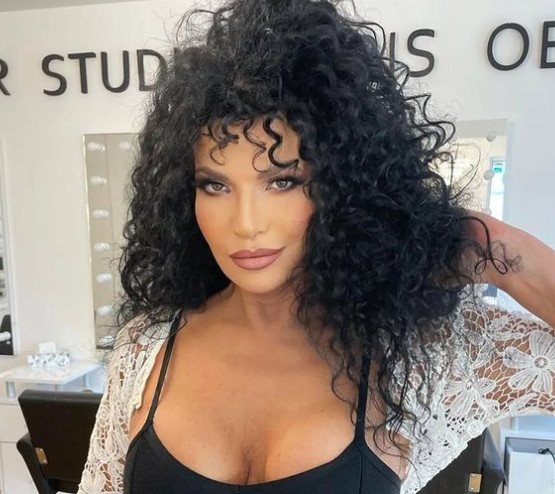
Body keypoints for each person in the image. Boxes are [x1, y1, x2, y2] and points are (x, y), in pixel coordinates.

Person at [77, 0, 555, 493]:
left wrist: (496, 248)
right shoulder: (147, 348)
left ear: (342, 187)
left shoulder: (420, 349)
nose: (245, 224)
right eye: (215, 185)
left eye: (282, 181)